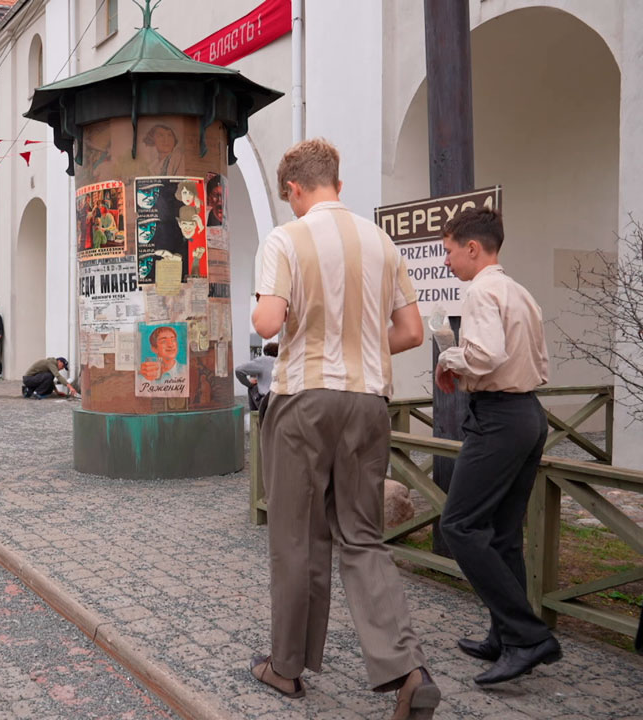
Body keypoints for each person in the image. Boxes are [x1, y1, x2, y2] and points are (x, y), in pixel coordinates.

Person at [250, 138, 437, 719]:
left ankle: (286, 668)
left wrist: (290, 324)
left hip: (304, 401)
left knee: (296, 537)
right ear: (338, 183)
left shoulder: (286, 238)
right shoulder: (381, 242)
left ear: (295, 190)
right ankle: (408, 671)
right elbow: (411, 332)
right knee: (363, 537)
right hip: (368, 403)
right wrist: (354, 344)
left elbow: (267, 321)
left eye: (290, 196)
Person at [433, 208, 561, 685]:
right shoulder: (519, 292)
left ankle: (528, 637)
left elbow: (485, 355)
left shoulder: (482, 289)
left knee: (460, 525)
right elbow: (539, 360)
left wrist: (449, 356)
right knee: (502, 534)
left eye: (448, 251)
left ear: (472, 248)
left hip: (499, 418)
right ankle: (505, 635)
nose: (446, 262)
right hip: (528, 413)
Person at [235, 342, 278, 414]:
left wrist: (249, 384)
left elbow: (239, 370)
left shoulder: (264, 361)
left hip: (266, 402)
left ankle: (255, 415)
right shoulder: (284, 361)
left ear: (266, 352)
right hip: (282, 401)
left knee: (252, 387)